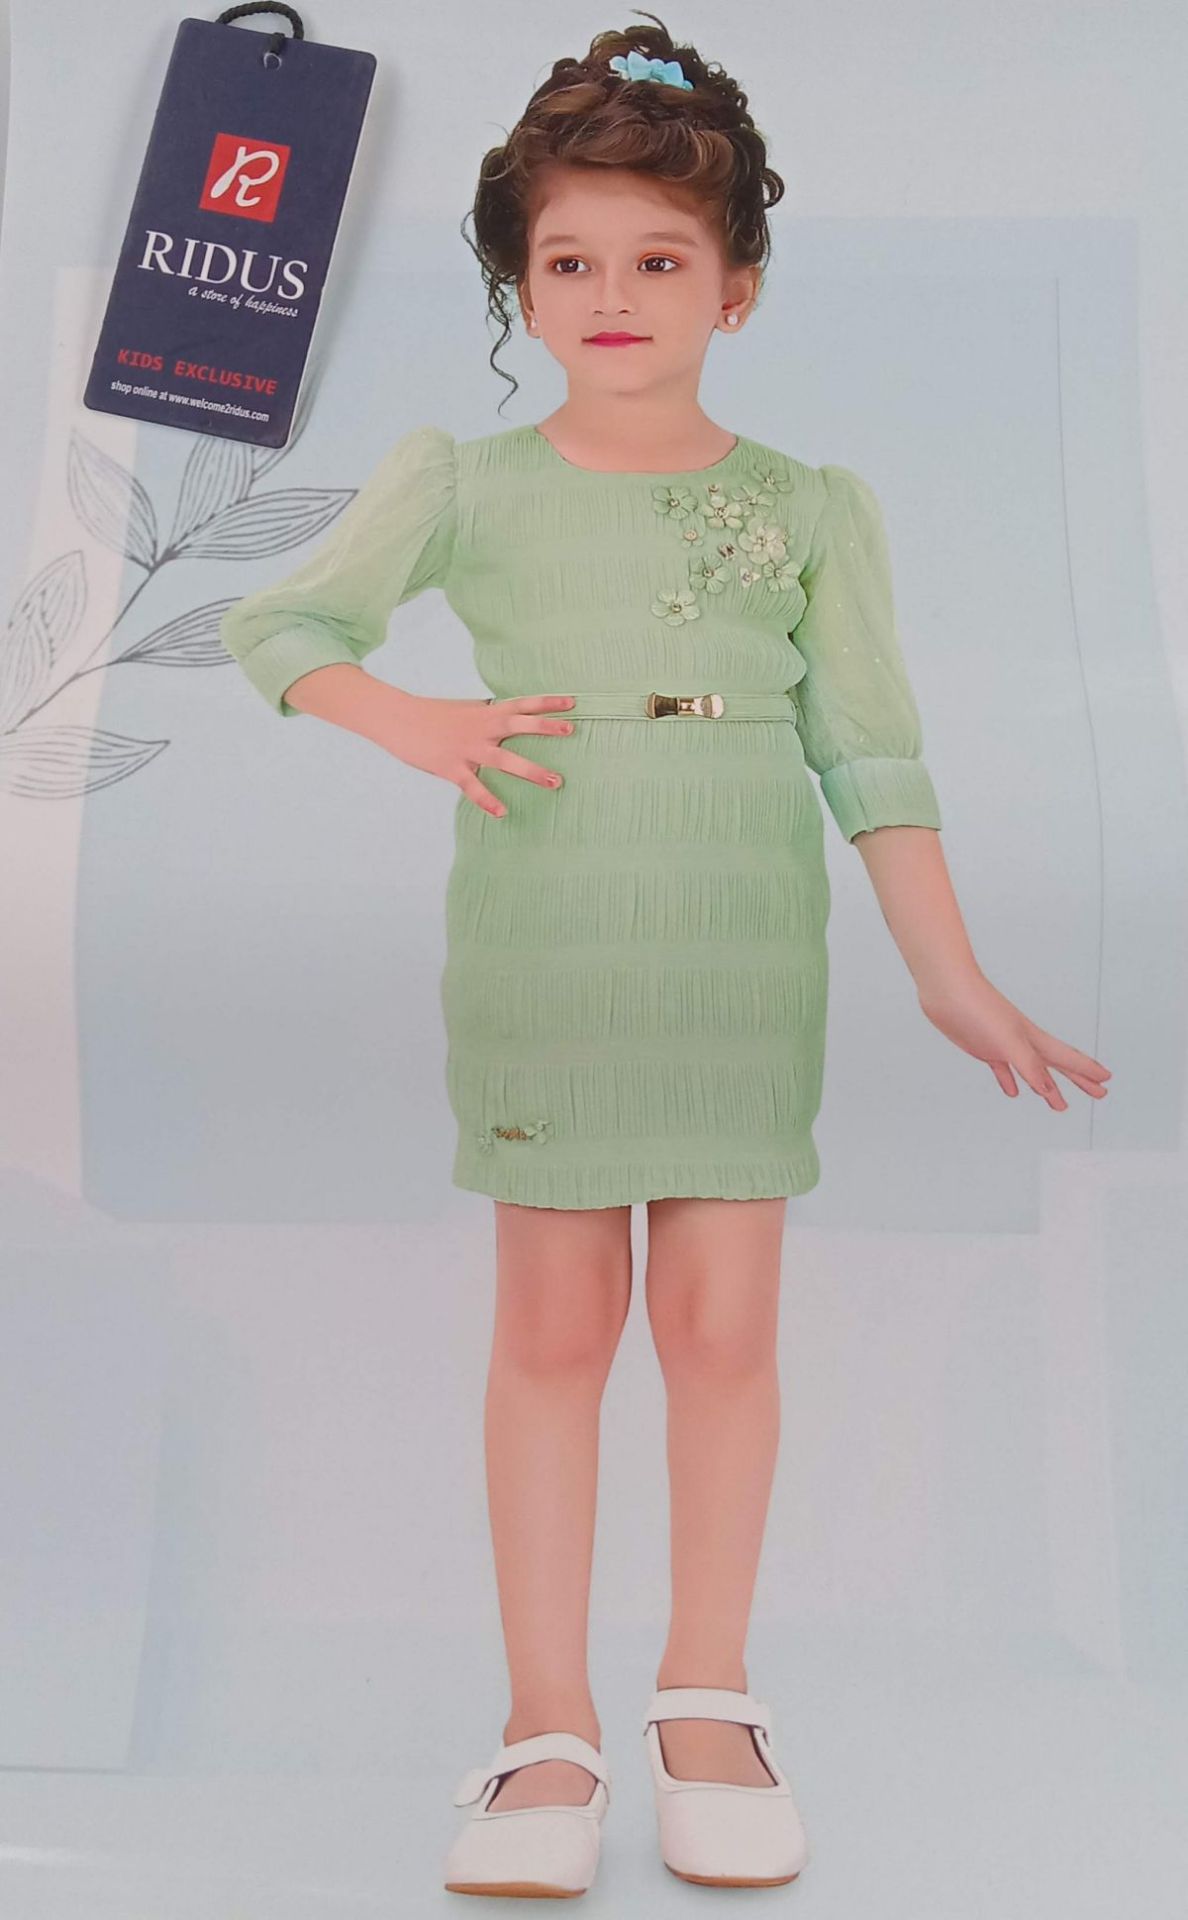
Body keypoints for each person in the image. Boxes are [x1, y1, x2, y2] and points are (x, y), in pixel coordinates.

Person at [219, 12, 1112, 1899]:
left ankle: (707, 1700)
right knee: (554, 1334)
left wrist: (949, 973)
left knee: (722, 1335)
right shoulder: (462, 480)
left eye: (657, 261)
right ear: (520, 288)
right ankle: (545, 1727)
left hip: (738, 948)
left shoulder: (809, 507)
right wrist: (419, 726)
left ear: (738, 288)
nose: (612, 297)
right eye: (568, 263)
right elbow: (281, 628)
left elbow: (872, 757)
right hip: (546, 939)